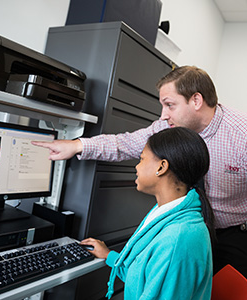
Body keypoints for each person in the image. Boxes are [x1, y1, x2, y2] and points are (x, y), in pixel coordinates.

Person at [32, 65, 247, 277]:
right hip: (183, 226)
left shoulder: (241, 135)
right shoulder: (168, 127)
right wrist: (77, 145)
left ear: (196, 101)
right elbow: (125, 143)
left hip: (231, 233)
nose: (163, 115)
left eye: (169, 105)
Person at [82, 127, 214, 299]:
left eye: (142, 159)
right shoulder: (166, 212)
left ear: (161, 167)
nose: (137, 167)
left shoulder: (177, 240)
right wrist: (110, 256)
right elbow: (145, 278)